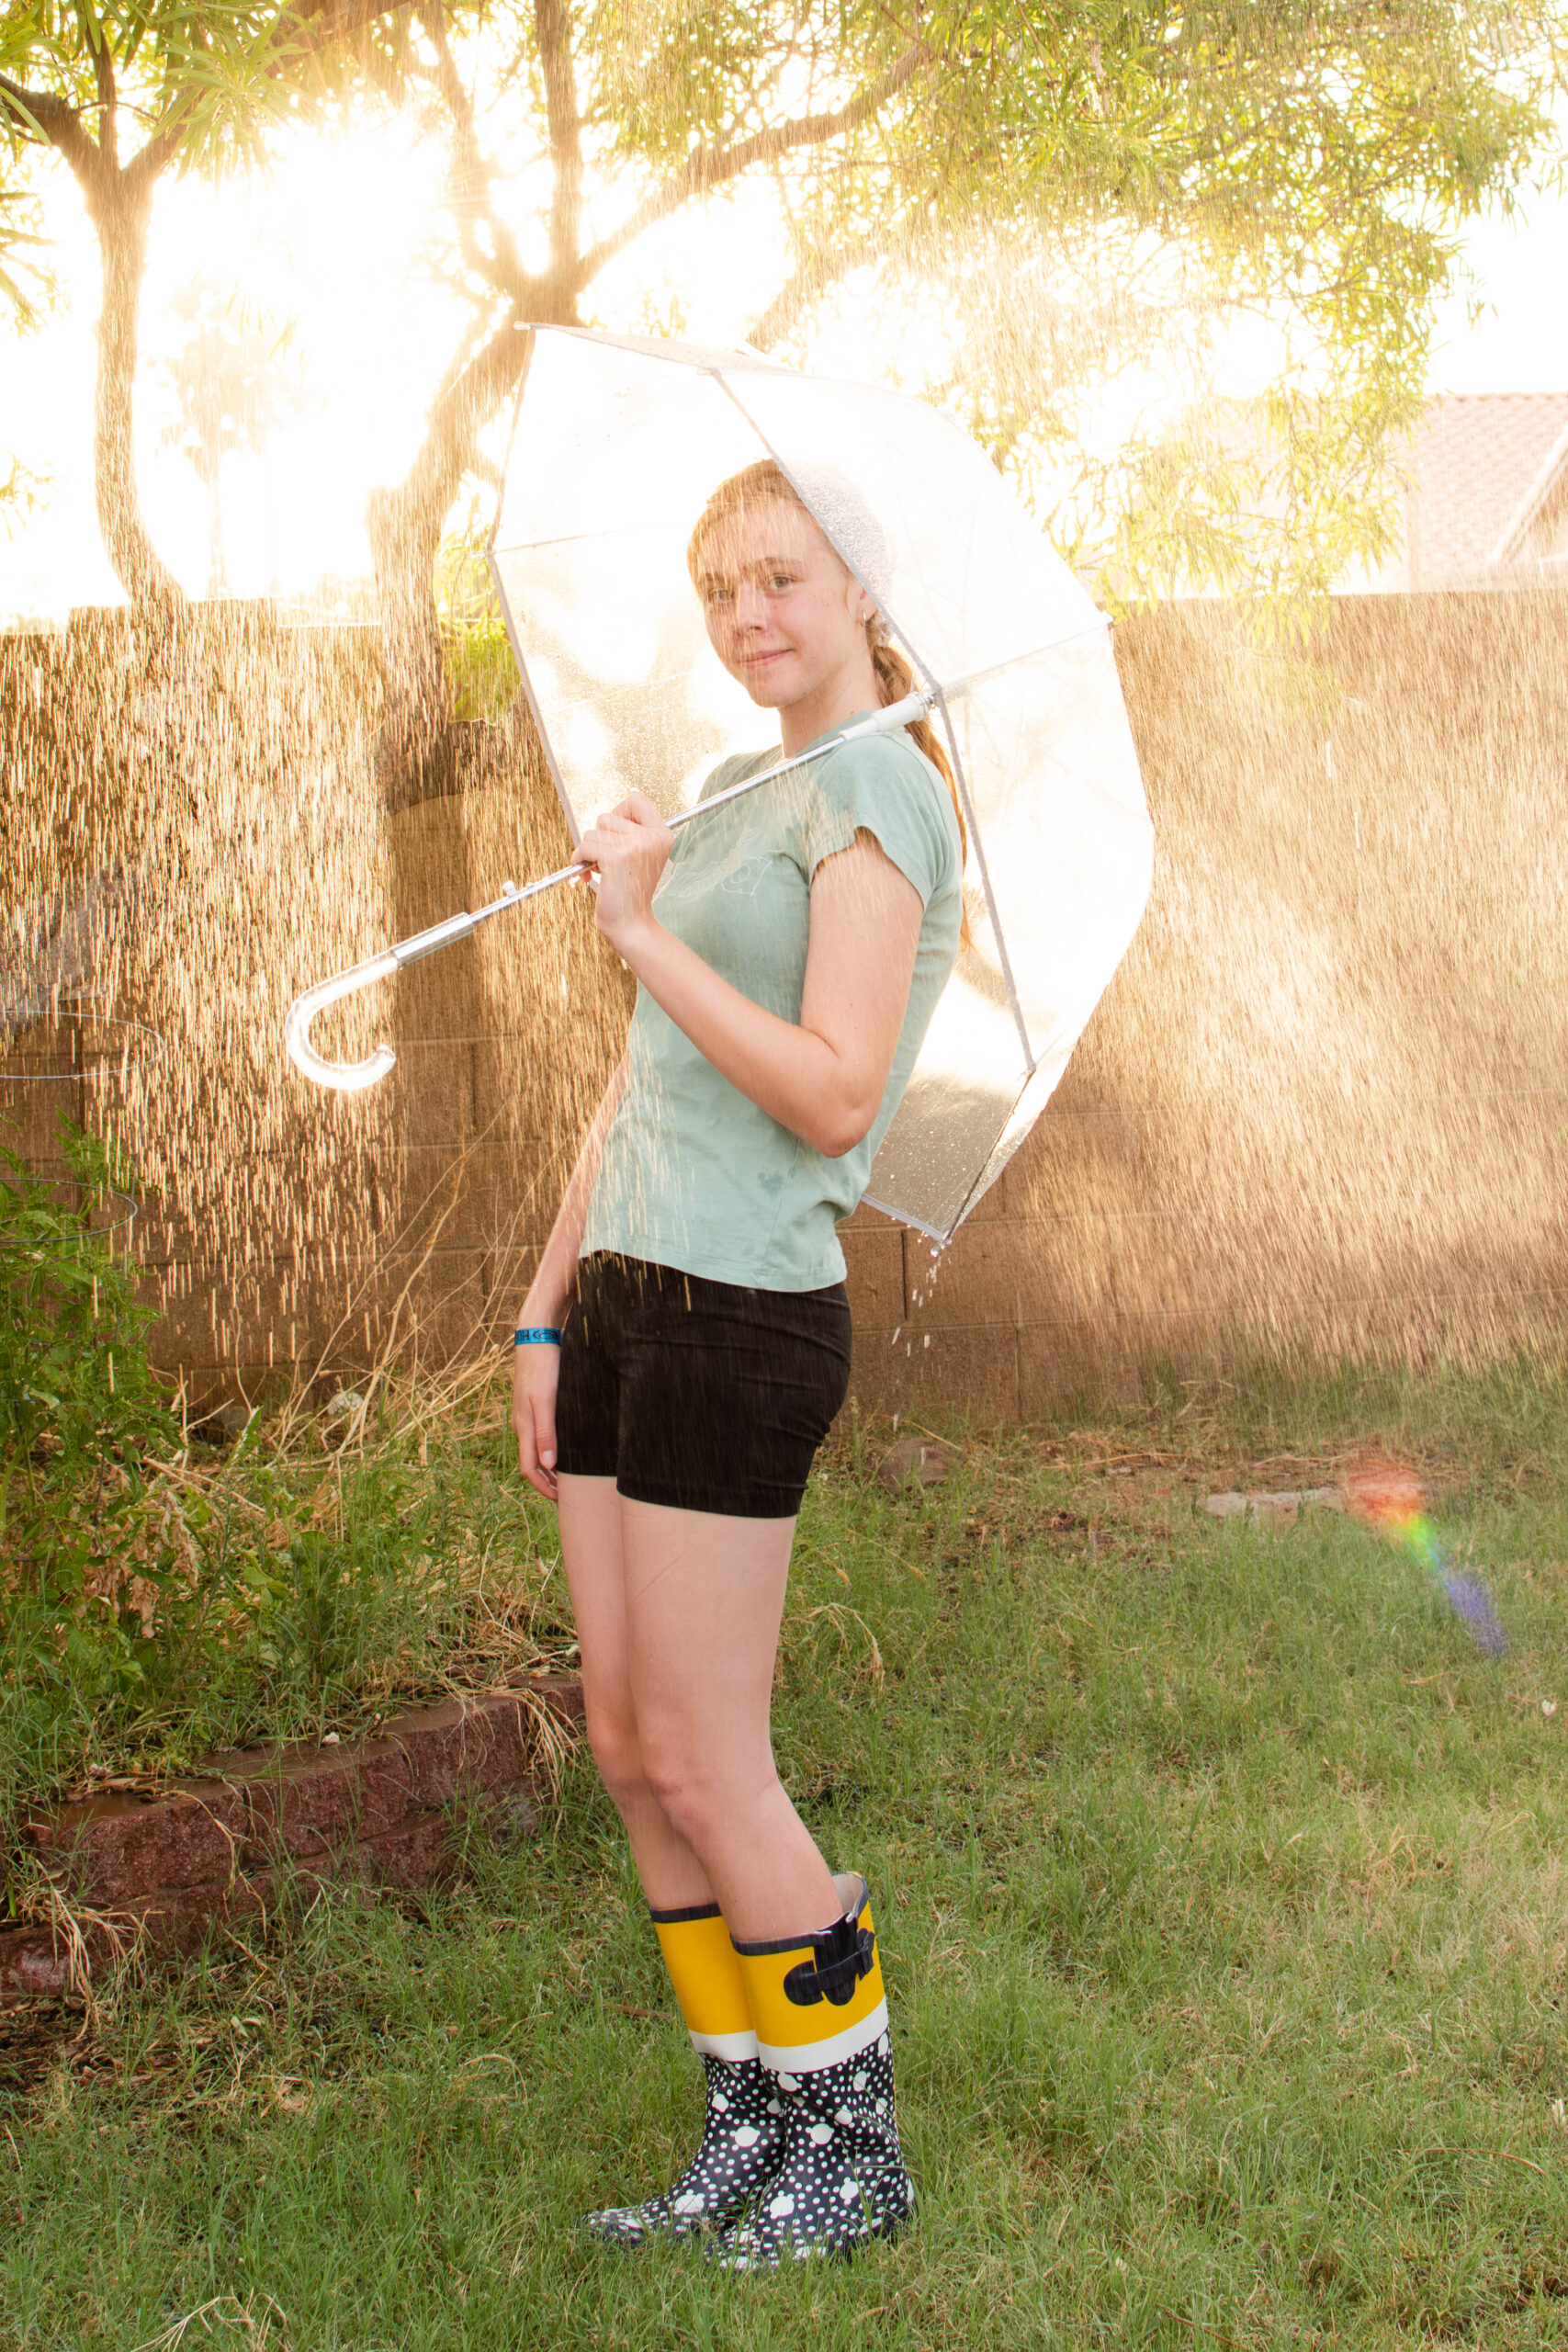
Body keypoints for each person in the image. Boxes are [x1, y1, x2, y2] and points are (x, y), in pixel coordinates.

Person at [511, 457, 964, 2267]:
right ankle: (744, 2119)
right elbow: (643, 1075)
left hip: (743, 1308)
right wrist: (546, 1309)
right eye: (720, 589)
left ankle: (851, 2144)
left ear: (859, 589)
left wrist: (634, 924)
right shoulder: (727, 788)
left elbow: (832, 1085)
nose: (749, 616)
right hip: (626, 1293)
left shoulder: (880, 794)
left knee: (709, 1749)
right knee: (628, 1742)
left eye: (780, 577)